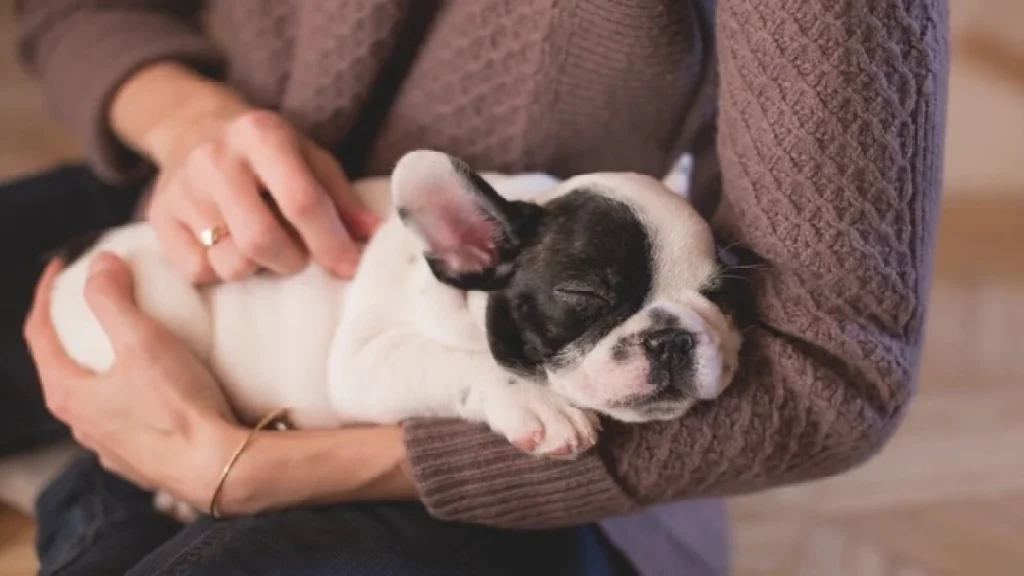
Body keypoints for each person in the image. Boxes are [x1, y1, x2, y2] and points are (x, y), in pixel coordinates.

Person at [2, 1, 948, 574]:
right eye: (597, 306)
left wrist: (259, 472)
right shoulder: (487, 243)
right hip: (216, 226)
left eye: (714, 299)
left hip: (496, 465)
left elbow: (836, 367)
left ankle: (97, 502)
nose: (671, 332)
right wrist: (187, 120)